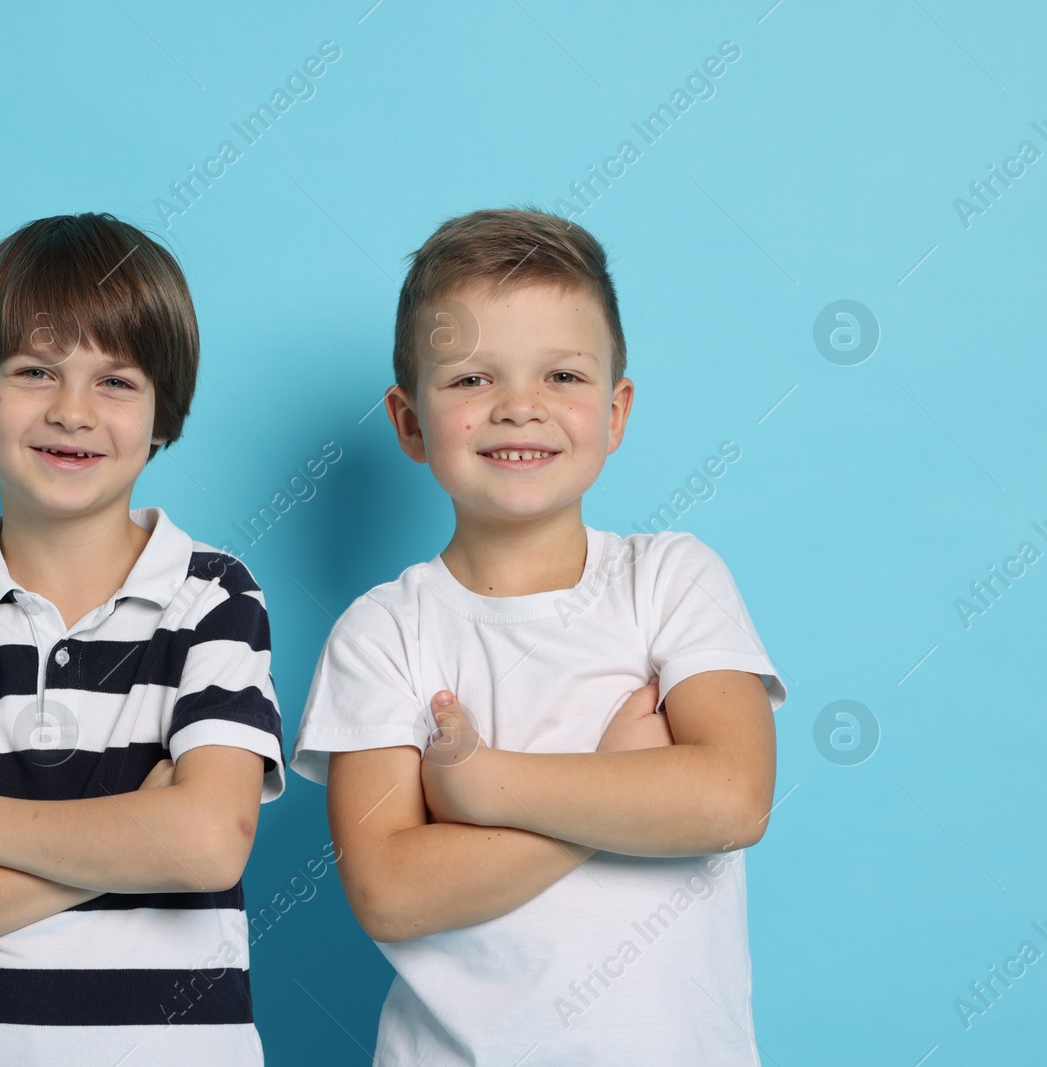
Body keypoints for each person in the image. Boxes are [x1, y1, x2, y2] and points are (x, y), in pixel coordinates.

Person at [290, 206, 787, 1065]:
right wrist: (618, 786)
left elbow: (732, 796)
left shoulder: (671, 578)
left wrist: (486, 787)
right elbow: (391, 890)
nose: (520, 408)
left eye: (562, 375)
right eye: (472, 380)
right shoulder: (381, 633)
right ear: (409, 423)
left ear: (616, 408)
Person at [0, 212, 285, 1065]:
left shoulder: (214, 597)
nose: (72, 411)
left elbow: (206, 842)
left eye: (115, 381)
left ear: (164, 412)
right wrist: (137, 835)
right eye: (37, 371)